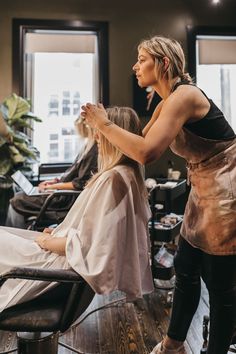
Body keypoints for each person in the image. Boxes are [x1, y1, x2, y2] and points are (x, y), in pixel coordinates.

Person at [82, 36, 236, 354]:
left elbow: (147, 153)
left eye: (142, 59)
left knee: (221, 287)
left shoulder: (185, 96)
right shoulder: (164, 101)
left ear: (163, 63)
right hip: (203, 189)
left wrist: (106, 122)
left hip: (227, 192)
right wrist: (102, 134)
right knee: (186, 267)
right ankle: (173, 345)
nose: (135, 66)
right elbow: (137, 142)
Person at [0, 106, 153, 312]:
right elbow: (94, 235)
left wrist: (49, 242)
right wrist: (57, 233)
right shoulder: (129, 174)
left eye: (101, 129)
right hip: (61, 259)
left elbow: (91, 247)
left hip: (57, 268)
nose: (96, 136)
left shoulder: (112, 179)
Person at [5, 117, 98, 229]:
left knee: (17, 201)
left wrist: (53, 186)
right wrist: (53, 181)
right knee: (19, 195)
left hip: (64, 199)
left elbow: (79, 184)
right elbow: (71, 174)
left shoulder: (93, 152)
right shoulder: (87, 147)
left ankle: (15, 235)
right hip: (60, 192)